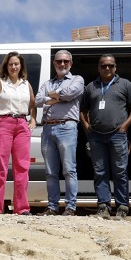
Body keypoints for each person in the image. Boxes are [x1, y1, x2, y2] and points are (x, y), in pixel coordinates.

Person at [80, 54, 131, 218]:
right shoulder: (91, 86)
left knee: (119, 171)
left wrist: (125, 125)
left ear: (115, 67)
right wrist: (86, 126)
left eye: (111, 65)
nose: (107, 68)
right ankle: (103, 206)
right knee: (100, 171)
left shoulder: (125, 84)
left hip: (118, 135)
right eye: (104, 65)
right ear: (98, 68)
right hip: (96, 136)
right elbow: (82, 109)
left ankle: (122, 207)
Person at [0, 51, 36, 214]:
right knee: (0, 167)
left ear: (21, 66)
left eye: (16, 64)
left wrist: (33, 120)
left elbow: (33, 104)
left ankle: (22, 208)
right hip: (3, 124)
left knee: (22, 167)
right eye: (10, 64)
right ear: (6, 66)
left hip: (22, 126)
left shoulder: (27, 84)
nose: (13, 67)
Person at [35, 49, 84, 215]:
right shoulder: (48, 83)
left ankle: (70, 207)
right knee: (50, 171)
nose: (62, 64)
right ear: (54, 63)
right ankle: (52, 207)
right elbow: (37, 100)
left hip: (67, 127)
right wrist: (56, 96)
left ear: (71, 64)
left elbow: (70, 94)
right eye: (58, 61)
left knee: (69, 169)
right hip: (48, 128)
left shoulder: (78, 79)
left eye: (65, 61)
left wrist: (53, 96)